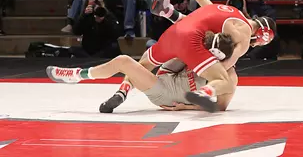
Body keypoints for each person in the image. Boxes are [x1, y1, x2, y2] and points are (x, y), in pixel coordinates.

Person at [47, 0, 276, 113]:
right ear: (262, 36)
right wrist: (200, 95)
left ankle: (81, 75)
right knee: (227, 77)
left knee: (135, 62)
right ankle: (202, 93)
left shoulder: (232, 11)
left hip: (174, 37)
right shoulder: (245, 38)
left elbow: (207, 10)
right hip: (188, 49)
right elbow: (226, 70)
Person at [47, 32, 238, 112]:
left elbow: (220, 107)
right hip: (162, 84)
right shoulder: (195, 52)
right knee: (125, 60)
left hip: (169, 97)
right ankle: (77, 75)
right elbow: (165, 66)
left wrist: (186, 107)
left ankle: (123, 90)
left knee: (147, 57)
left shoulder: (228, 74)